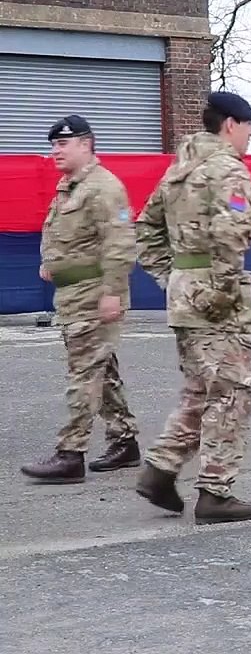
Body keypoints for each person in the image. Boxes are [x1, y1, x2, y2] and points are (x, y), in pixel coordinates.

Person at [132, 91, 251, 525]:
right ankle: (215, 492)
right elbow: (231, 236)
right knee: (230, 394)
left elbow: (146, 228)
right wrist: (221, 293)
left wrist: (173, 278)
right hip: (216, 303)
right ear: (231, 125)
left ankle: (161, 469)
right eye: (248, 126)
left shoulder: (179, 170)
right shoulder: (228, 169)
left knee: (199, 391)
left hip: (185, 296)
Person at [20, 115, 141, 484]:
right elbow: (65, 234)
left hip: (94, 295)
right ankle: (125, 442)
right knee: (102, 372)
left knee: (84, 374)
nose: (55, 151)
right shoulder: (69, 187)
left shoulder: (105, 187)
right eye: (54, 145)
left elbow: (120, 243)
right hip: (72, 295)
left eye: (62, 145)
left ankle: (70, 454)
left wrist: (112, 293)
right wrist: (50, 263)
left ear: (85, 145)